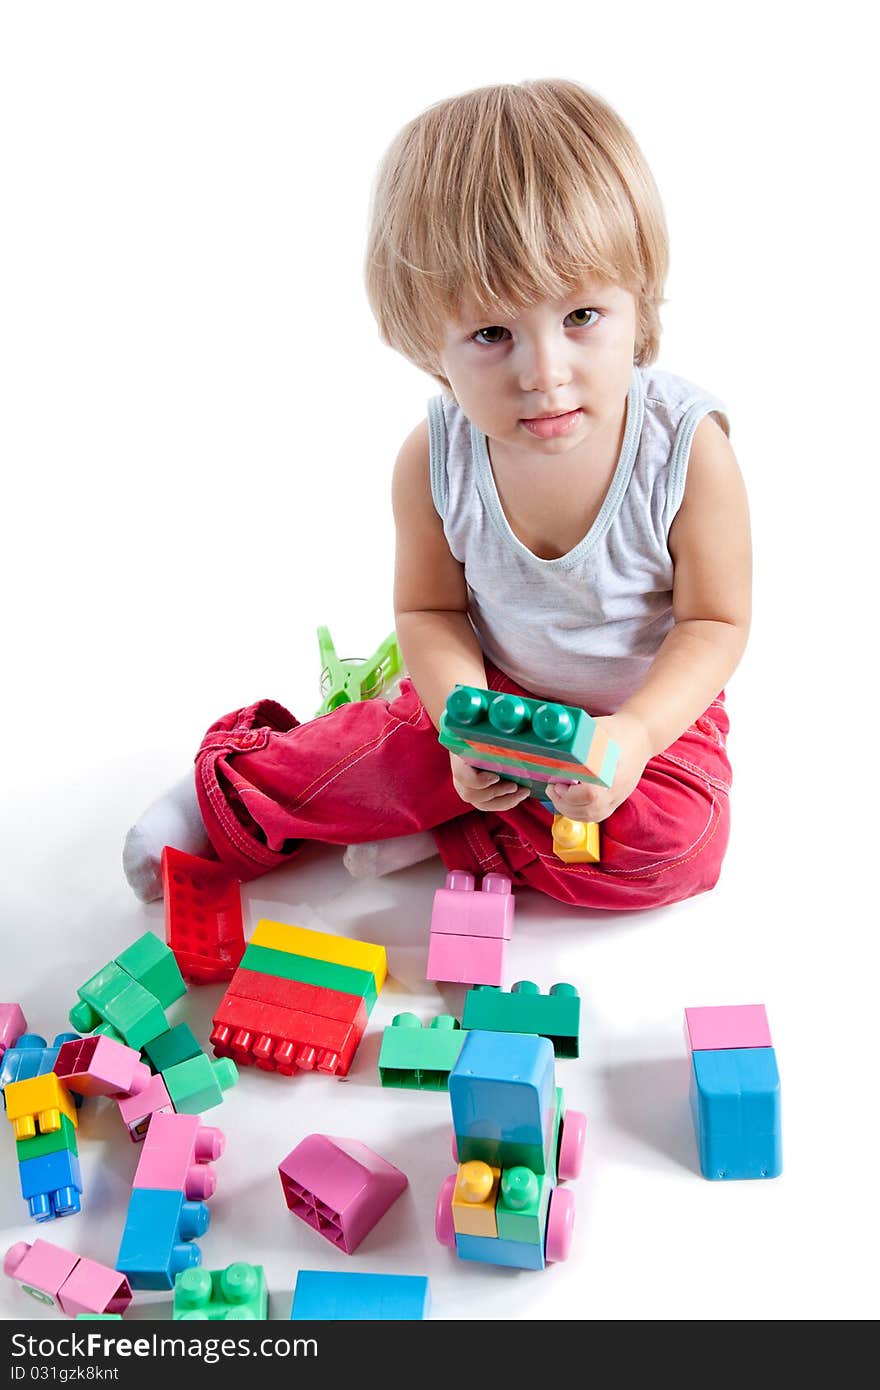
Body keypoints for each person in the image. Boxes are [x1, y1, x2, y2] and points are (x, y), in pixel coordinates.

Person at [124, 78, 750, 911]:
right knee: (388, 747)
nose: (544, 372)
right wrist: (464, 721)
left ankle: (433, 828)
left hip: (643, 716)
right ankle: (231, 794)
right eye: (492, 334)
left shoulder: (686, 451)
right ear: (430, 344)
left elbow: (714, 625)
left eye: (582, 316)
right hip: (488, 695)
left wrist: (631, 739)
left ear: (639, 299)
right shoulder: (434, 457)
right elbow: (430, 614)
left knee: (675, 847)